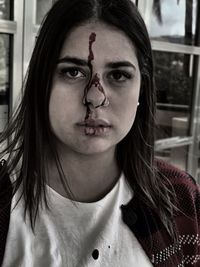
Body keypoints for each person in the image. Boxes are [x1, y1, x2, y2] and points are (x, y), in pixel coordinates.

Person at [0, 0, 199, 266]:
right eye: (73, 72)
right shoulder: (6, 200)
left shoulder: (180, 197)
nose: (95, 98)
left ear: (142, 88)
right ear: (41, 83)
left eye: (118, 75)